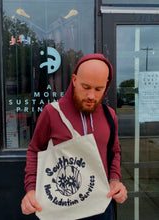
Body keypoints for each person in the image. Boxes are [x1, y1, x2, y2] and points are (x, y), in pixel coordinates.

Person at [21, 53, 127, 219]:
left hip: (101, 206)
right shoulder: (52, 112)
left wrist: (115, 179)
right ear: (74, 80)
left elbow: (114, 151)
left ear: (106, 85)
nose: (91, 96)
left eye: (99, 89)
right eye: (86, 87)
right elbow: (35, 150)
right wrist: (31, 189)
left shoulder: (109, 115)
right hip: (62, 207)